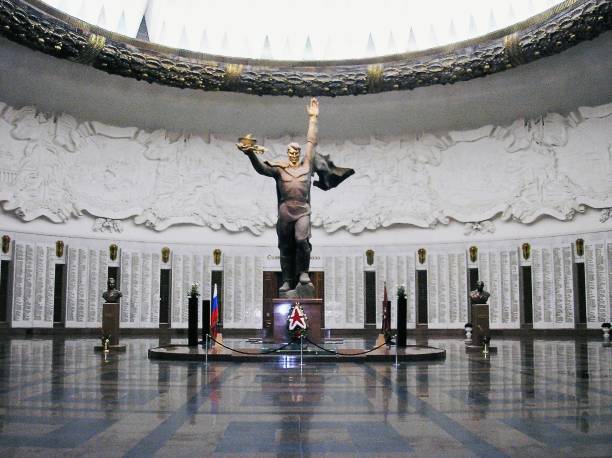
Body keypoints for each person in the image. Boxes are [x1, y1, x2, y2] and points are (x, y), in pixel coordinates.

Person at [237, 98, 353, 294]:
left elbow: (311, 142)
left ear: (299, 154)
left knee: (301, 240)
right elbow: (262, 169)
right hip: (285, 211)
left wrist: (313, 118)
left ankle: (304, 273)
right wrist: (250, 155)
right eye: (290, 151)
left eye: (296, 151)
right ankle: (287, 280)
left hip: (302, 210)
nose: (293, 154)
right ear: (287, 153)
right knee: (285, 246)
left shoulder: (307, 166)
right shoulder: (280, 169)